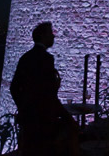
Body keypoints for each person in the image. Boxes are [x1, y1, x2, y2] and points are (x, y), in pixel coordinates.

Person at [10, 22, 78, 156]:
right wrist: (66, 116)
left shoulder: (26, 57)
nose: (53, 37)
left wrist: (23, 108)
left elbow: (14, 87)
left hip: (29, 117)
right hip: (43, 118)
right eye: (50, 34)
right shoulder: (46, 59)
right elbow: (47, 94)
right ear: (42, 36)